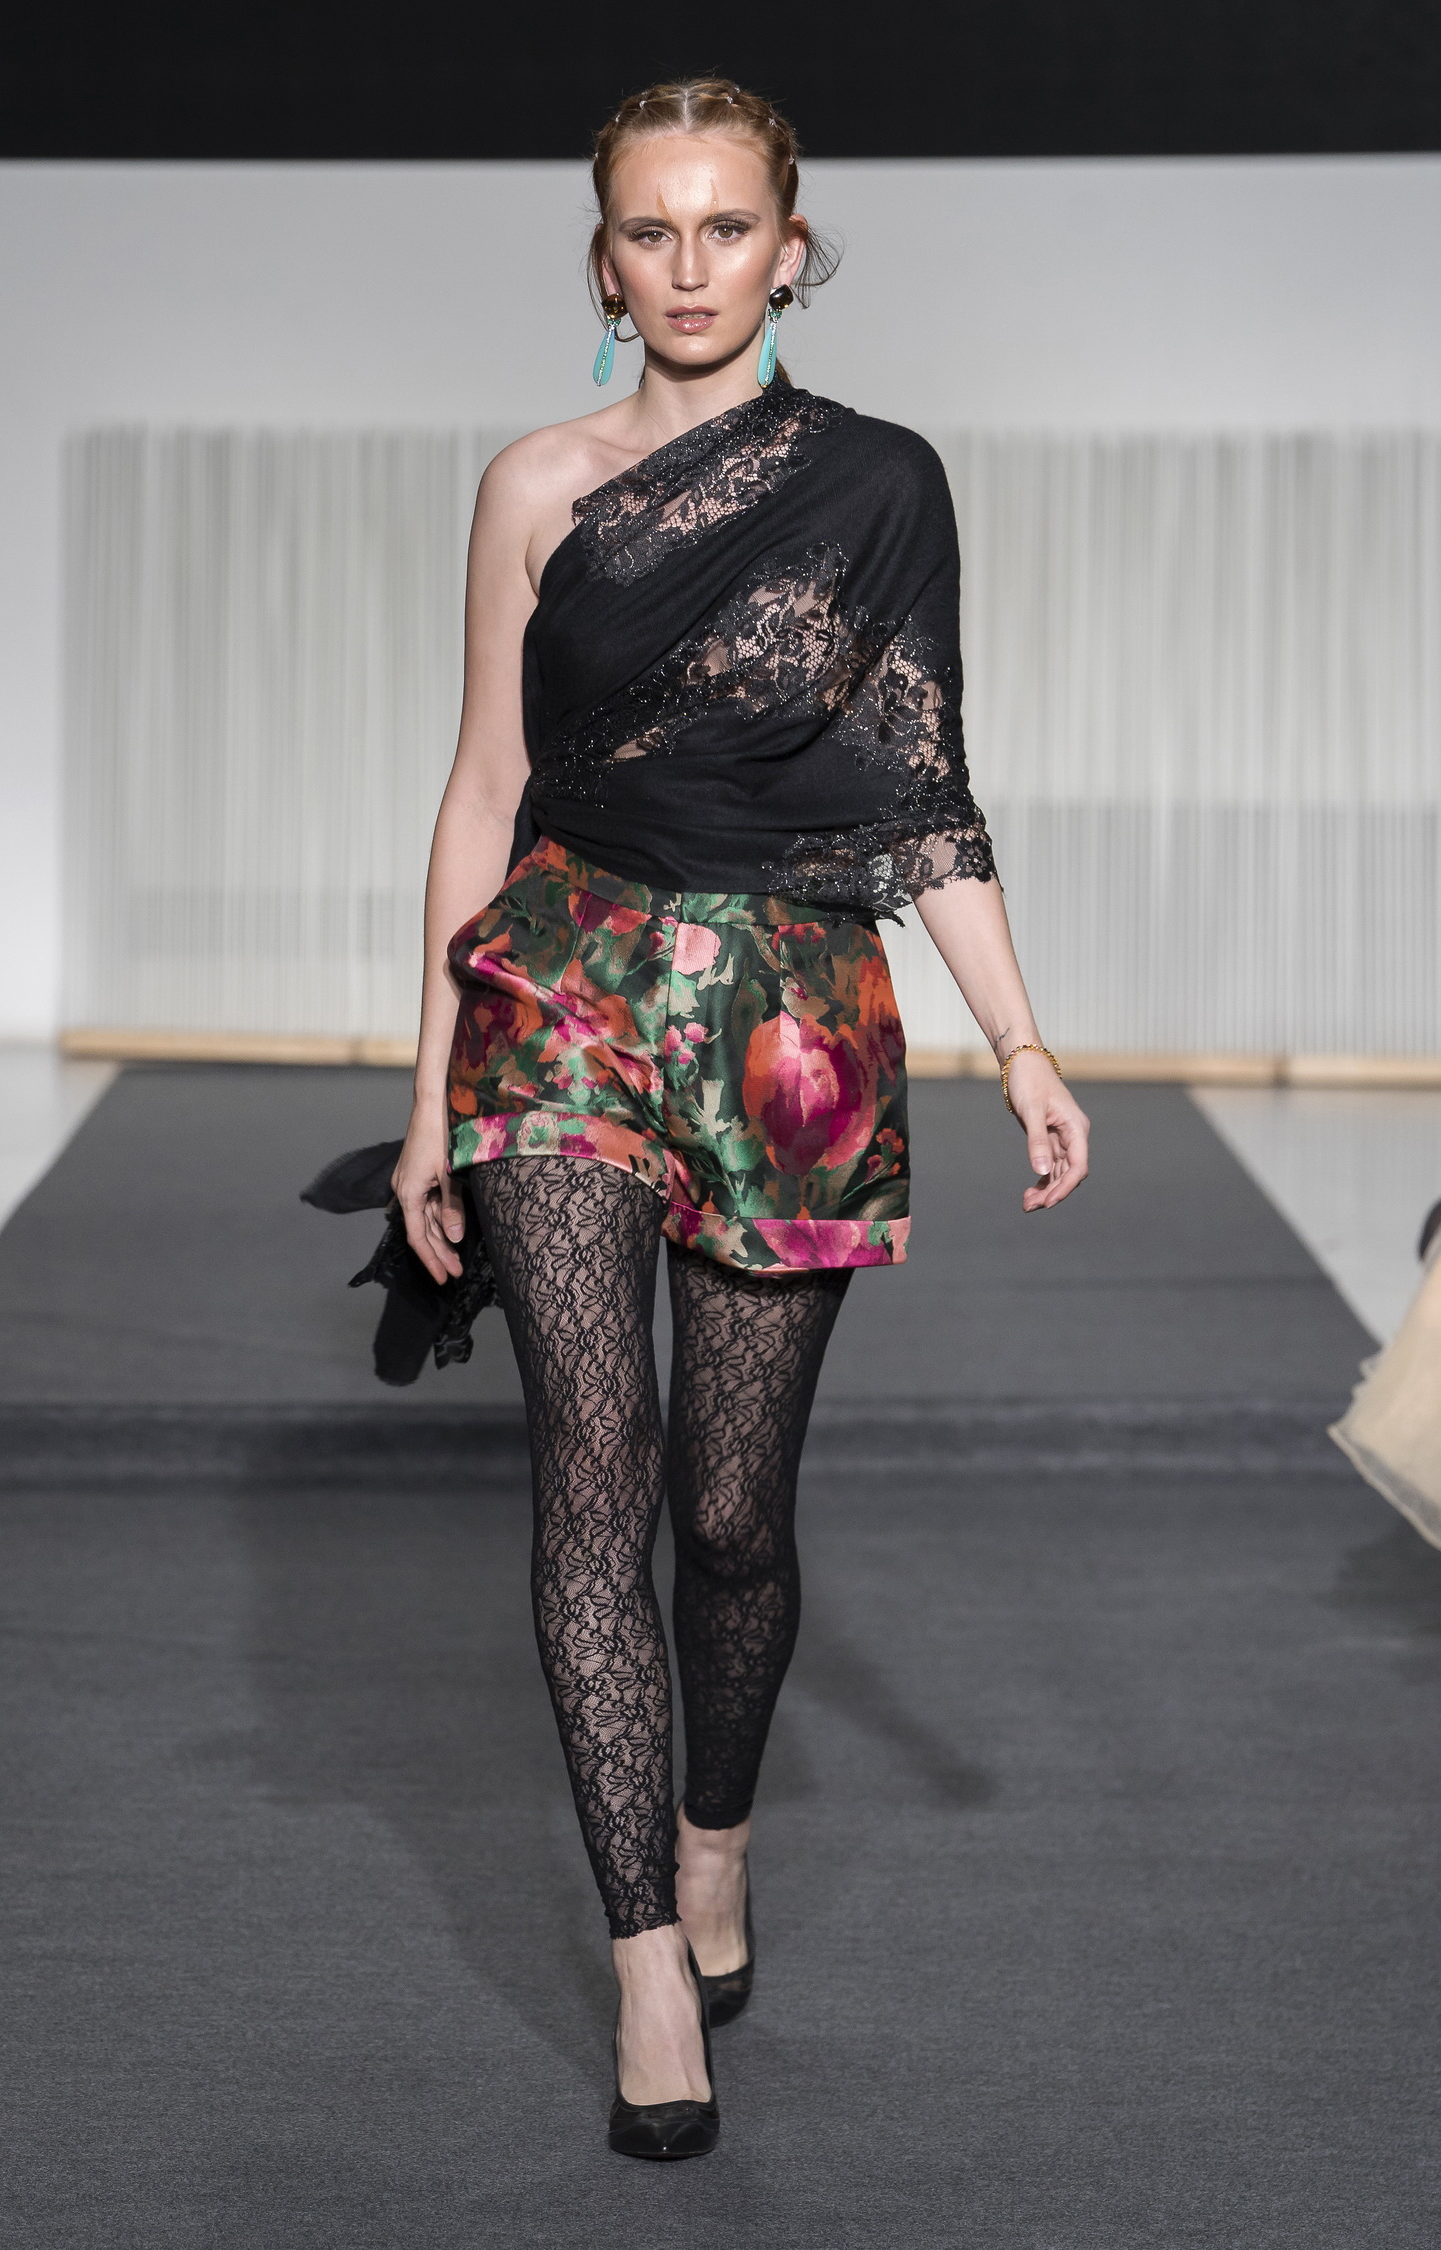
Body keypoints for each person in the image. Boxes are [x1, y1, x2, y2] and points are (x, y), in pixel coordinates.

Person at [393, 77, 1090, 2160]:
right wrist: (426, 1093)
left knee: (730, 1520)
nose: (688, 266)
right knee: (592, 1477)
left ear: (792, 249)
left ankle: (716, 1833)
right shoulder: (533, 485)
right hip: (562, 994)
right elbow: (480, 786)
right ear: (603, 262)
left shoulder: (881, 484)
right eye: (650, 230)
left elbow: (920, 785)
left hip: (792, 1017)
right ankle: (640, 1966)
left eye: (725, 228)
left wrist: (1022, 1042)